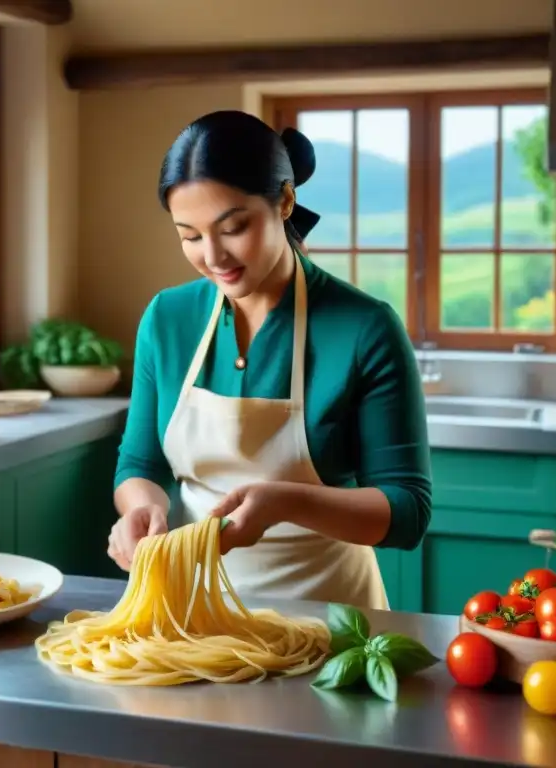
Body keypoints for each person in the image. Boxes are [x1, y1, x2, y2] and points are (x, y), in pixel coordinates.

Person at [107, 109, 431, 609]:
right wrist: (141, 508)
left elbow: (407, 510)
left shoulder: (364, 328)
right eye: (190, 236)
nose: (213, 256)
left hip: (331, 622)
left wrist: (284, 501)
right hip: (191, 615)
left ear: (283, 200)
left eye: (233, 227)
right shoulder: (168, 319)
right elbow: (139, 463)